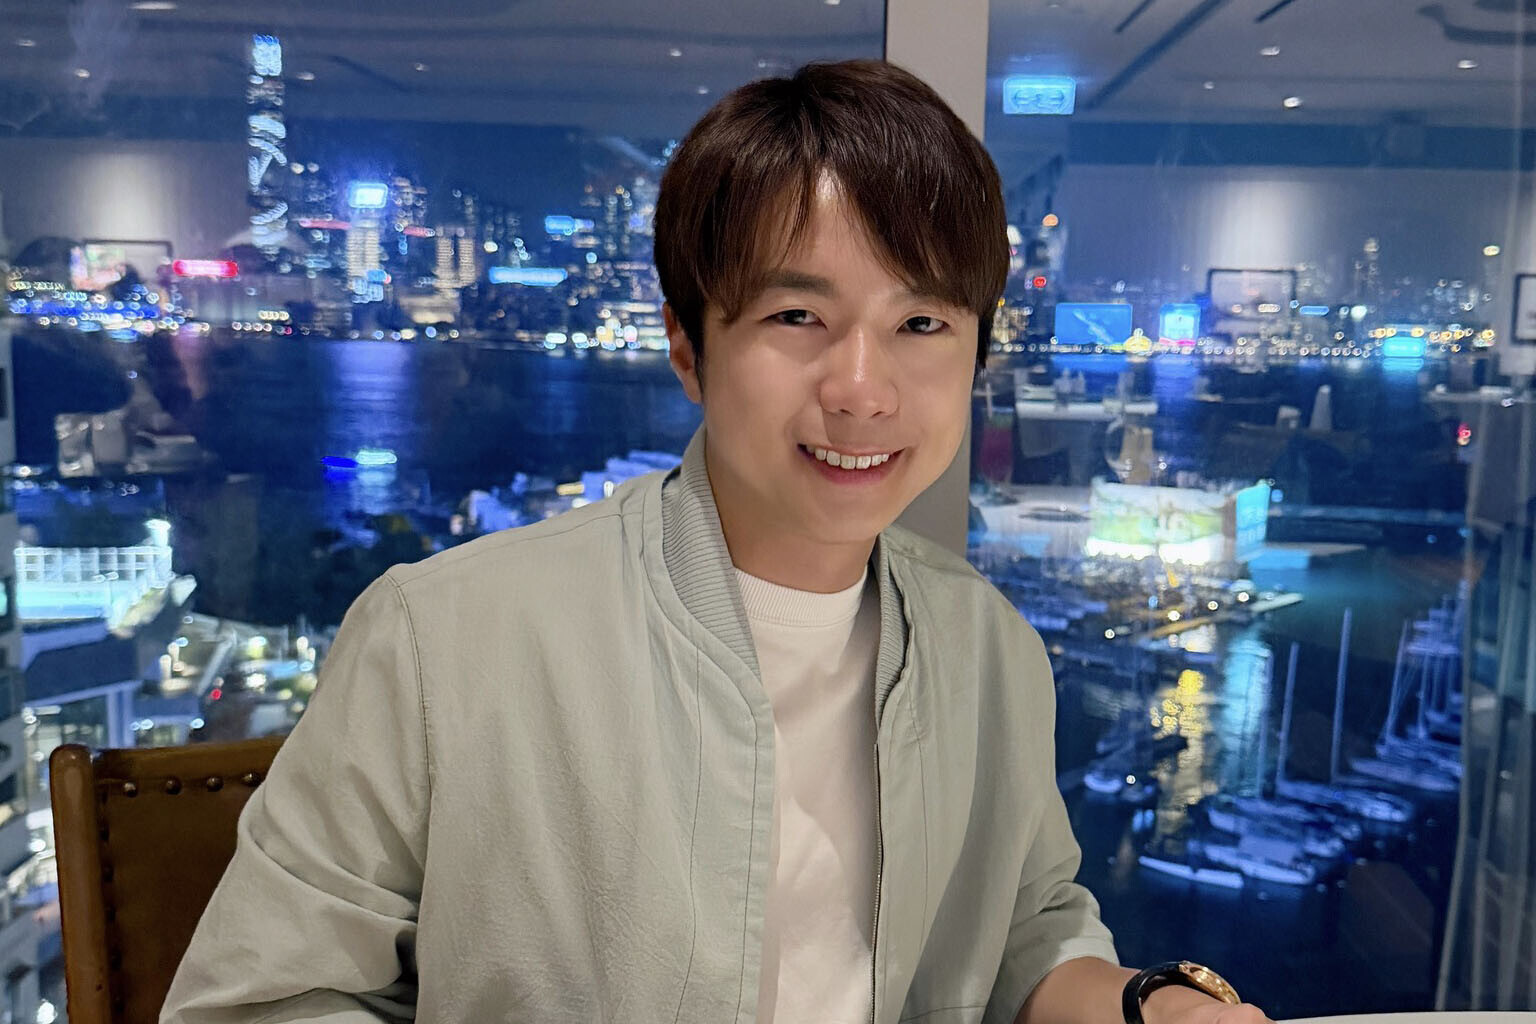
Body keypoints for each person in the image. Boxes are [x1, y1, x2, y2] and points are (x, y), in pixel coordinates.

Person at [162, 60, 1271, 1024]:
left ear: (976, 354)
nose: (863, 388)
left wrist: (1151, 1001)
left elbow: (1025, 927)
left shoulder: (989, 649)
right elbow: (266, 998)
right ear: (690, 349)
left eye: (921, 323)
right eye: (797, 317)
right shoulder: (444, 640)